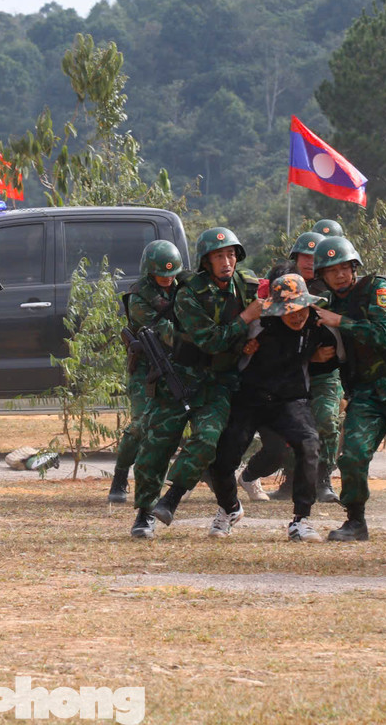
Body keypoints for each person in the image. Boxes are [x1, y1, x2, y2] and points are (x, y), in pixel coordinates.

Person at [130, 226, 261, 539]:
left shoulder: (247, 287)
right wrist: (244, 320)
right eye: (218, 256)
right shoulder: (189, 294)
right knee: (155, 447)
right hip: (182, 375)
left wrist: (253, 337)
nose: (226, 261)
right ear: (206, 261)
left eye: (230, 254)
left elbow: (263, 320)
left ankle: (171, 499)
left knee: (206, 440)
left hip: (220, 382)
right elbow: (209, 341)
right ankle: (144, 513)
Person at [311, 235, 386, 542]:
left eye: (344, 268)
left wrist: (340, 320)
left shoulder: (379, 290)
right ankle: (355, 520)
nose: (340, 274)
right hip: (366, 393)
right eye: (332, 270)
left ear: (355, 268)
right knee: (352, 456)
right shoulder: (327, 307)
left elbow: (381, 335)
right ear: (323, 277)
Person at [209, 274, 337, 542]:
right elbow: (224, 351)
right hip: (249, 398)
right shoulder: (258, 324)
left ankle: (301, 520)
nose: (296, 315)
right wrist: (243, 350)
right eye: (289, 309)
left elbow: (337, 355)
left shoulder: (318, 324)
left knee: (309, 443)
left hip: (289, 401)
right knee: (224, 456)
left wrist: (318, 358)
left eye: (301, 307)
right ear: (278, 309)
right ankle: (229, 508)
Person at [239, 230, 344, 504]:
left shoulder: (332, 288)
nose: (309, 262)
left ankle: (322, 481)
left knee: (325, 422)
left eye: (314, 257)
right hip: (288, 373)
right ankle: (289, 481)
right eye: (304, 256)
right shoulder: (280, 285)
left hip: (322, 373)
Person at [108, 240, 183, 505]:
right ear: (150, 271)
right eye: (162, 274)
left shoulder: (184, 289)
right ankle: (120, 475)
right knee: (141, 425)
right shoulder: (139, 297)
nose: (168, 278)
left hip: (178, 365)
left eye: (171, 273)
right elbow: (165, 333)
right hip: (145, 369)